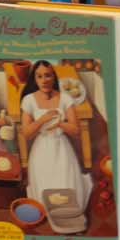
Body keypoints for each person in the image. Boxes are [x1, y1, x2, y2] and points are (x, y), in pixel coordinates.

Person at [19, 60, 91, 207]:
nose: (44, 80)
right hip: (41, 148)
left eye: (47, 76)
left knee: (67, 190)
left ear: (53, 77)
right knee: (45, 194)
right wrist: (42, 120)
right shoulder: (29, 100)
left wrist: (59, 123)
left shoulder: (65, 98)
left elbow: (76, 131)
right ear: (35, 79)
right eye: (39, 76)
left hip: (61, 147)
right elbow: (26, 133)